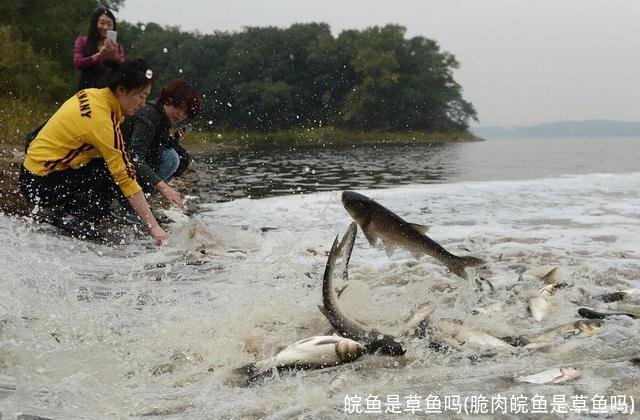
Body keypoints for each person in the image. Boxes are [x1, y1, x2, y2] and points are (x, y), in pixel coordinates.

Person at [19, 58, 169, 245]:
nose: (143, 104)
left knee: (108, 166)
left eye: (146, 97)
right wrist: (153, 227)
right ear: (121, 90)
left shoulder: (91, 94)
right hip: (38, 185)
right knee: (111, 173)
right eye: (141, 96)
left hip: (33, 171)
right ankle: (74, 219)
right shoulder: (101, 122)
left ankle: (74, 213)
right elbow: (126, 178)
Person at [119, 79, 203, 212]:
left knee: (180, 158)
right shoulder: (149, 116)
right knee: (171, 158)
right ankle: (129, 206)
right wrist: (164, 188)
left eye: (186, 112)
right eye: (179, 107)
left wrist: (175, 140)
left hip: (125, 172)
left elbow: (157, 144)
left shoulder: (161, 117)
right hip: (114, 173)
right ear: (168, 99)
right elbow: (134, 157)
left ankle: (137, 203)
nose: (181, 115)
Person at [74, 7, 125, 90]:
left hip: (108, 92)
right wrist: (99, 55)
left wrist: (115, 56)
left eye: (109, 24)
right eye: (102, 23)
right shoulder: (82, 41)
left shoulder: (117, 47)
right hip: (86, 90)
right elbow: (78, 64)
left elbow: (123, 71)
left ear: (113, 26)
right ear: (95, 23)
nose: (105, 27)